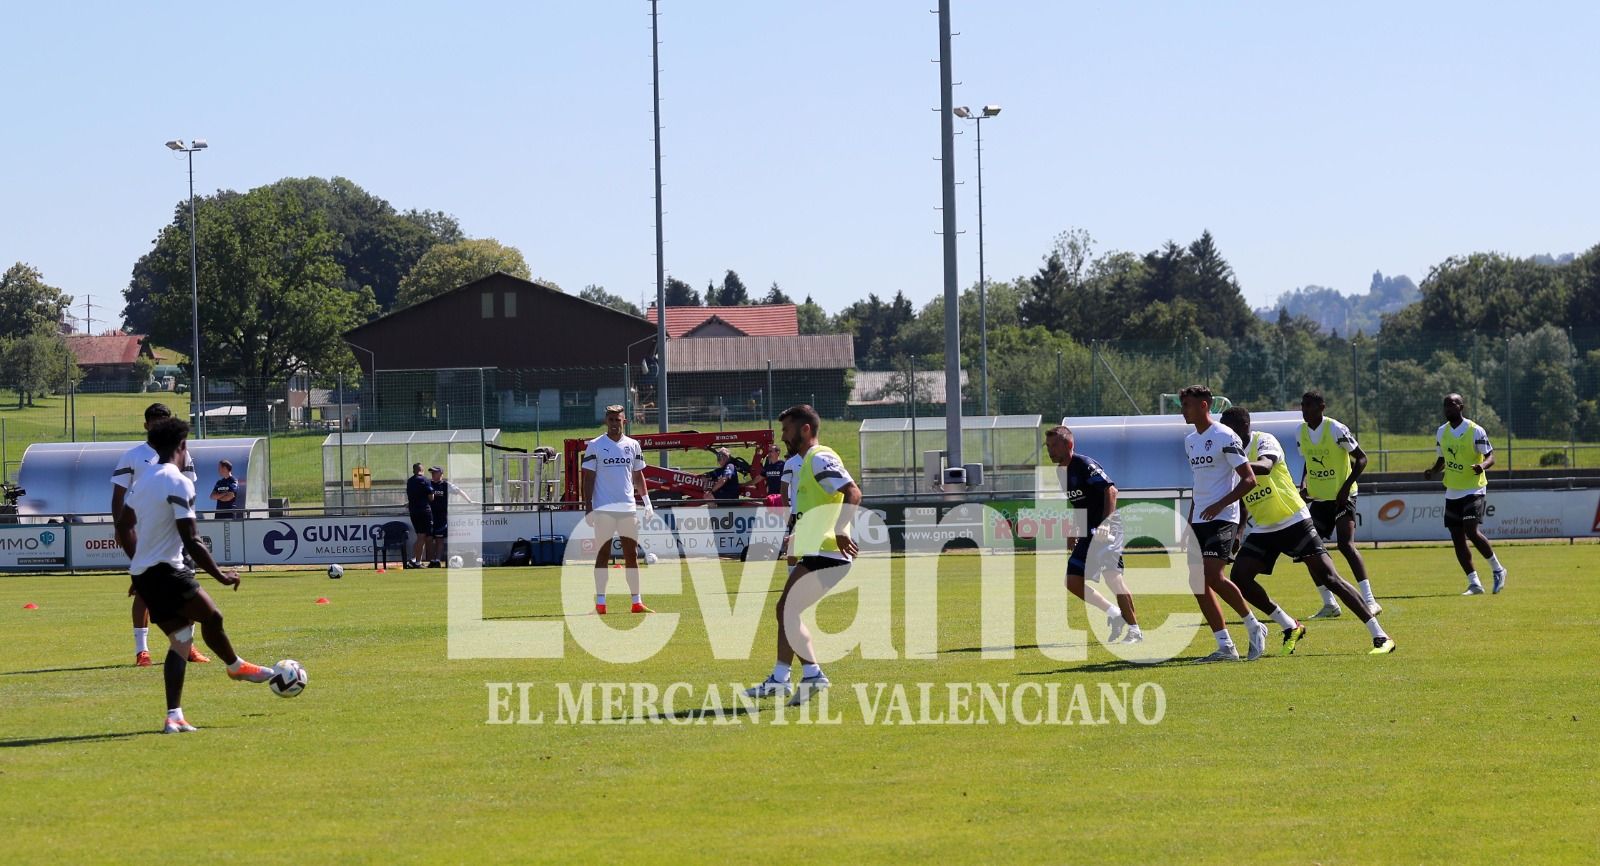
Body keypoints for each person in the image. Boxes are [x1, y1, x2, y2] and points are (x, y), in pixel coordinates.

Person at [115, 417, 278, 733]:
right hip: (168, 571)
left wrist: (138, 562)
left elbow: (123, 526)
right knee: (213, 617)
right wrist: (221, 576)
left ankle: (174, 715)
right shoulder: (179, 481)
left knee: (181, 640)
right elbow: (191, 538)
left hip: (145, 576)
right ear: (182, 446)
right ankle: (235, 666)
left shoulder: (144, 481)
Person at [1221, 408, 1396, 655]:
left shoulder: (1264, 439)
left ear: (1243, 426)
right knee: (1240, 577)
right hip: (1264, 528)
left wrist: (1236, 464)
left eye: (1227, 428)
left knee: (1330, 578)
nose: (1225, 433)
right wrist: (1239, 531)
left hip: (1294, 520)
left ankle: (1380, 636)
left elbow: (1266, 466)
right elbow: (1242, 495)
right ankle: (1290, 626)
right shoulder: (1232, 454)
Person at [745, 404, 861, 706]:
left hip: (829, 552)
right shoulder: (807, 460)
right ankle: (782, 678)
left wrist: (839, 528)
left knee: (786, 609)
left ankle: (809, 674)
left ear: (805, 429)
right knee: (786, 610)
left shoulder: (820, 457)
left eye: (787, 430)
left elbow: (853, 492)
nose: (783, 436)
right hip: (817, 549)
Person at [111, 402, 208, 667]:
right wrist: (120, 528)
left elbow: (189, 491)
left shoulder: (182, 454)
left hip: (176, 534)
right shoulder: (132, 456)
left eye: (163, 421)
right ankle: (142, 651)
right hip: (145, 533)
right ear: (146, 426)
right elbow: (119, 495)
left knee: (185, 589)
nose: (159, 425)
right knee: (144, 591)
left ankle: (187, 648)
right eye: (154, 421)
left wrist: (190, 527)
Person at [1179, 385, 1271, 663]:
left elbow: (1249, 479)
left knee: (1213, 576)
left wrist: (1221, 505)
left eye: (1188, 405)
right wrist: (1189, 521)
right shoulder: (1190, 441)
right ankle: (1225, 647)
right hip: (1199, 519)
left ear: (1204, 406)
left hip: (1223, 517)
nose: (1183, 411)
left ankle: (1255, 626)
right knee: (1198, 582)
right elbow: (1200, 484)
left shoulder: (1225, 436)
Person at [1044, 426, 1142, 644]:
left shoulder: (1084, 464)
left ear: (1069, 445)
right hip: (1088, 532)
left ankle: (1135, 630)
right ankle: (1115, 614)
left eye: (1054, 445)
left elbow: (1111, 491)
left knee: (1112, 577)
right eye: (1048, 446)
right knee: (1073, 582)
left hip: (1107, 528)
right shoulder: (1061, 471)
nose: (1050, 450)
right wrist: (1074, 530)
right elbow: (1079, 503)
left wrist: (1105, 524)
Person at [1296, 390, 1381, 619]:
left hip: (1344, 497)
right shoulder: (1300, 432)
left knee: (1345, 545)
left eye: (1308, 405)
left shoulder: (1335, 428)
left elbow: (1362, 458)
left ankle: (1370, 601)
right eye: (1302, 405)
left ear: (1321, 407)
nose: (1304, 409)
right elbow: (1307, 461)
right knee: (1308, 550)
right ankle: (1329, 604)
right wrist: (1303, 483)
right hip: (1319, 499)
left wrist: (1345, 487)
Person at [1423, 393, 1508, 595]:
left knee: (1471, 530)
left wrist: (1482, 466)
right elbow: (1442, 459)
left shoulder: (1475, 430)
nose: (1448, 409)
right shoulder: (1441, 432)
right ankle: (1474, 583)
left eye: (1452, 405)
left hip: (1473, 487)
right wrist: (1433, 471)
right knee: (1457, 538)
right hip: (1452, 489)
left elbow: (1491, 456)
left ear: (1461, 407)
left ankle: (1498, 569)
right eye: (1445, 405)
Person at [581, 405, 654, 614]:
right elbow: (588, 478)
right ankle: (601, 604)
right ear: (606, 421)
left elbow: (638, 476)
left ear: (625, 421)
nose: (614, 423)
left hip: (628, 509)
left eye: (618, 419)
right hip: (603, 509)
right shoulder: (595, 445)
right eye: (611, 419)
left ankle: (636, 602)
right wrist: (588, 507)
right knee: (602, 554)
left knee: (631, 555)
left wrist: (647, 502)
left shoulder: (633, 445)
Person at [427, 466, 476, 565]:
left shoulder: (446, 485)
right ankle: (430, 560)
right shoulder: (428, 484)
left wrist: (469, 501)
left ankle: (437, 560)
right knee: (428, 539)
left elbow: (459, 491)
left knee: (439, 539)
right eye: (431, 472)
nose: (432, 474)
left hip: (441, 517)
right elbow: (419, 495)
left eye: (435, 472)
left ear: (441, 473)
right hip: (429, 516)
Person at [404, 463, 433, 569]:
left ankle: (415, 560)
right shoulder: (425, 480)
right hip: (423, 511)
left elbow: (411, 496)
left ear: (413, 471)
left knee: (420, 536)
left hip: (413, 511)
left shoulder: (410, 481)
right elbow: (431, 497)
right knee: (422, 536)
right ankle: (417, 562)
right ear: (422, 470)